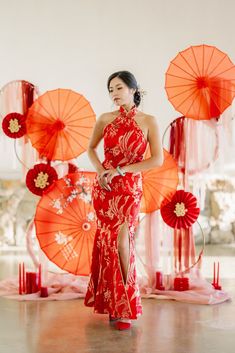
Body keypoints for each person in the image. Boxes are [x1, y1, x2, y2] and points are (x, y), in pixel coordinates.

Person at [84, 70, 163, 330]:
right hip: (105, 187)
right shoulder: (105, 119)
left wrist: (122, 171)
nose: (114, 94)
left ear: (133, 89)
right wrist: (101, 172)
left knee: (123, 241)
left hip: (129, 187)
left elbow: (156, 160)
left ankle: (124, 305)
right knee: (107, 242)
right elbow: (91, 149)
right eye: (110, 90)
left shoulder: (149, 121)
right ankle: (112, 303)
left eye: (119, 88)